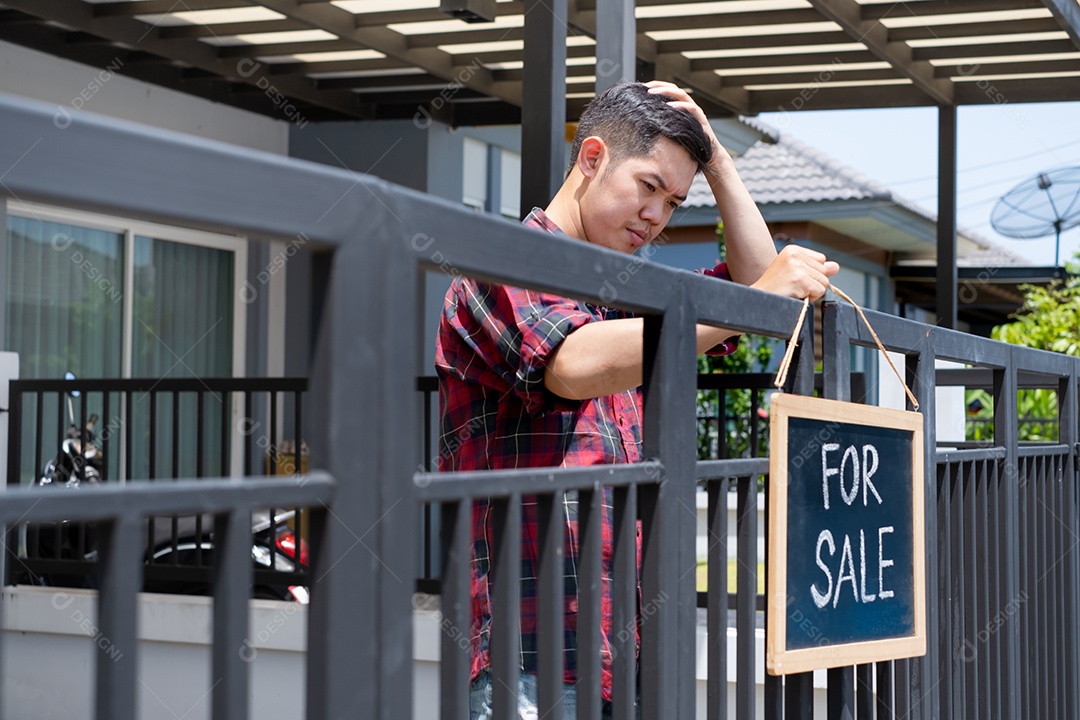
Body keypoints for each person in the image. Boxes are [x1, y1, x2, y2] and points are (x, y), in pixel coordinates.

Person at [435, 80, 839, 720]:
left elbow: (756, 291)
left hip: (624, 640)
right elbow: (571, 364)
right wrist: (739, 306)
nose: (656, 216)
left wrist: (717, 161)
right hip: (531, 646)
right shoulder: (503, 262)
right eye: (649, 187)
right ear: (592, 157)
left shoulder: (623, 288)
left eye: (673, 202)